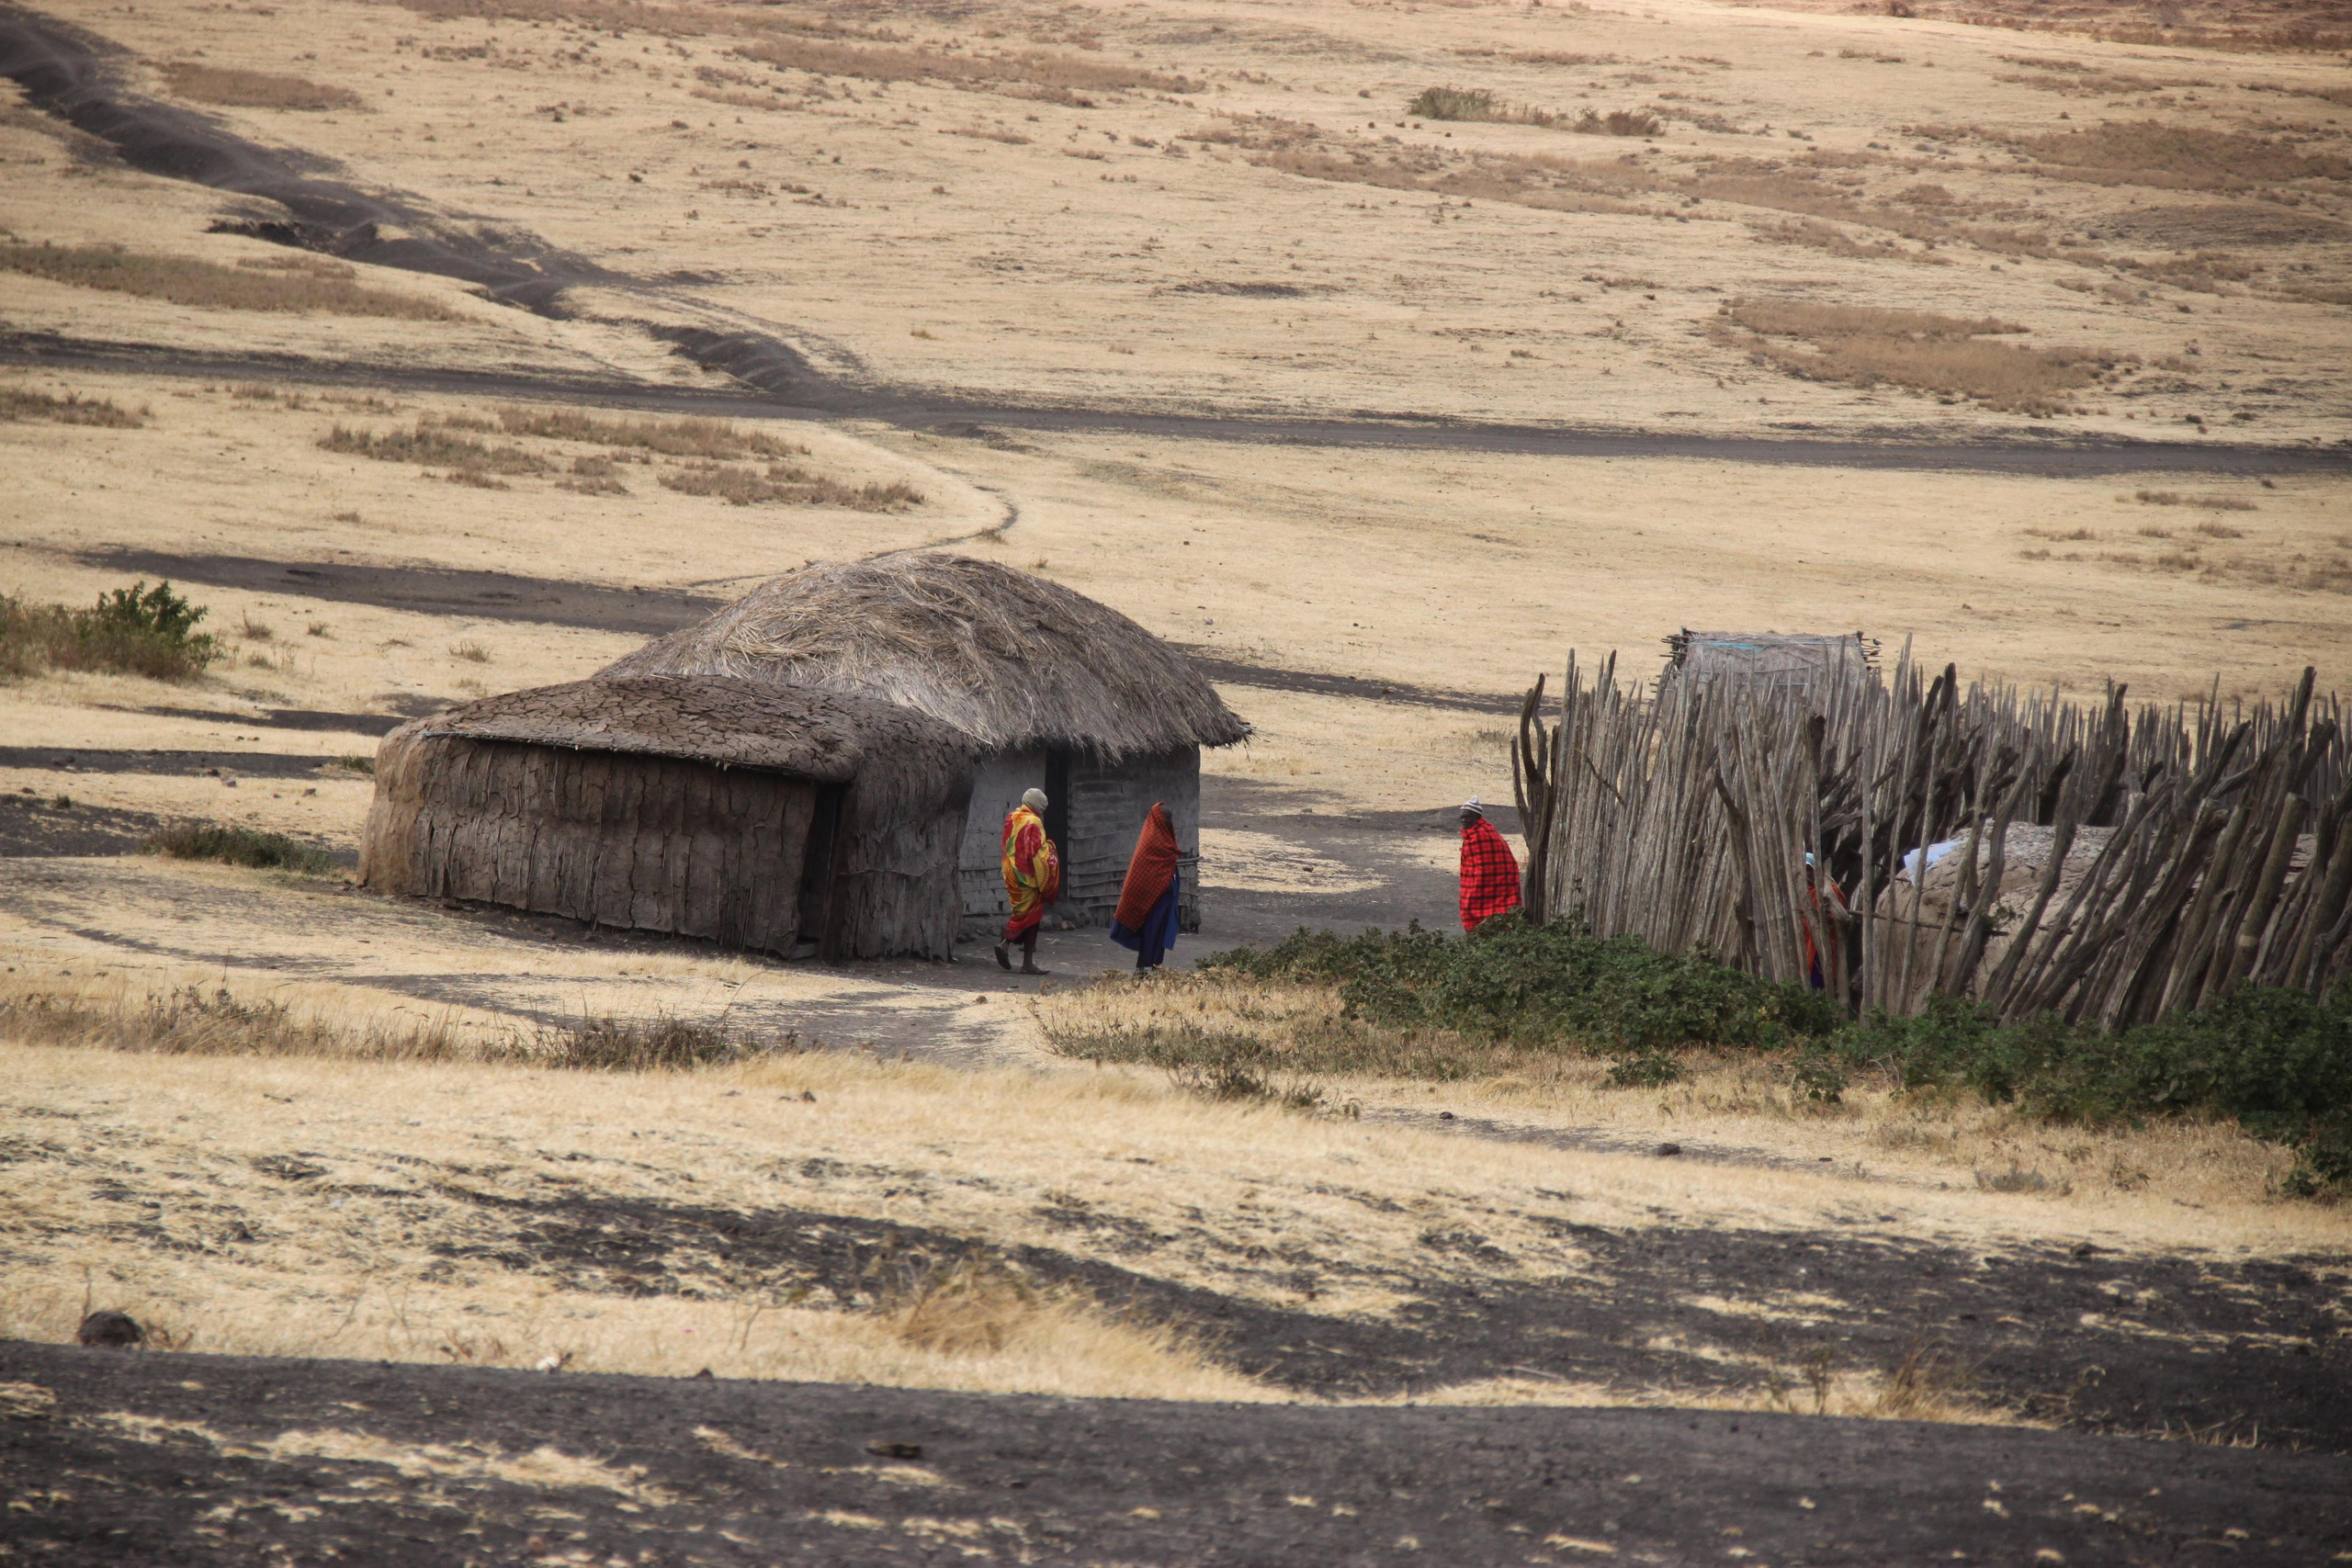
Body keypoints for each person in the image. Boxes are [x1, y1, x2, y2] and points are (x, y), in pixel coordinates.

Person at [1110, 802, 1183, 972]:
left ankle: (1155, 965)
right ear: (1157, 819)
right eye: (1165, 817)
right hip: (1151, 898)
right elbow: (1144, 872)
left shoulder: (1167, 838)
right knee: (1150, 931)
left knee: (1160, 931)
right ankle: (1142, 966)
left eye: (1169, 818)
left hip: (1165, 896)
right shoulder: (1150, 840)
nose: (1168, 820)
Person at [994, 786, 1061, 975]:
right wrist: (1051, 856)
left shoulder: (1013, 817)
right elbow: (1037, 853)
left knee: (1022, 913)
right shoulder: (1034, 822)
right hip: (1027, 877)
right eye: (1042, 807)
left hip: (1010, 873)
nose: (1043, 810)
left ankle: (1010, 948)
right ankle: (1019, 956)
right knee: (1031, 917)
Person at [1457, 796, 1522, 932]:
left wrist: (1474, 890)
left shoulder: (1483, 835)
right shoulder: (1476, 833)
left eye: (1467, 817)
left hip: (1495, 885)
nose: (1464, 820)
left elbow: (1486, 867)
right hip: (1485, 883)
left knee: (1489, 913)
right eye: (1462, 818)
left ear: (1477, 817)